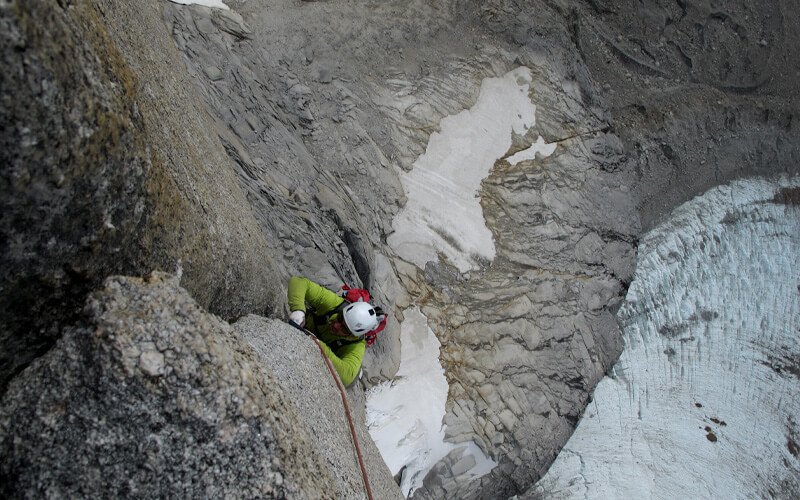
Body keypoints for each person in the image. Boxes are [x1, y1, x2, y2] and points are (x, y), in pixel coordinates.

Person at [287, 276, 380, 386]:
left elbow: (347, 377)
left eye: (343, 329)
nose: (336, 325)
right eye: (340, 318)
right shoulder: (336, 305)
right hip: (308, 327)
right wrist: (298, 310)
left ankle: (357, 369)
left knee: (352, 381)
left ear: (352, 336)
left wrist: (319, 345)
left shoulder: (356, 345)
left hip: (323, 346)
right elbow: (299, 282)